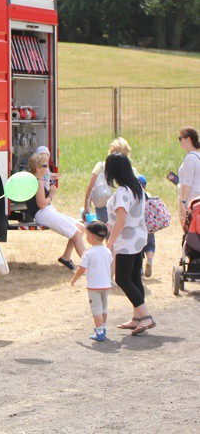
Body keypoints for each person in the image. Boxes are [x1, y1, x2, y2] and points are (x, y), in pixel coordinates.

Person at [105, 153, 155, 335]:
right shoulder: (136, 187)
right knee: (134, 278)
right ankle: (137, 317)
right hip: (139, 237)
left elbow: (121, 219)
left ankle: (146, 316)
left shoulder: (122, 192)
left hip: (127, 240)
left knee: (122, 279)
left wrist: (110, 243)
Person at [26, 153, 87, 270]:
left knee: (81, 227)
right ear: (38, 169)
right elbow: (41, 203)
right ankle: (89, 266)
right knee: (77, 234)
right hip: (43, 213)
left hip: (46, 211)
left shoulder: (35, 180)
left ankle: (66, 257)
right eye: (45, 165)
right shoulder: (38, 182)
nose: (47, 168)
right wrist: (52, 195)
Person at [71, 221, 114, 341]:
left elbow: (81, 269)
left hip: (94, 286)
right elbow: (109, 263)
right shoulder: (107, 251)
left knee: (96, 309)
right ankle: (103, 327)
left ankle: (99, 332)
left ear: (91, 236)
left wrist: (74, 279)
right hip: (106, 285)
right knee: (104, 308)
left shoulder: (89, 253)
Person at [82, 138, 132, 224]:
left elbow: (90, 187)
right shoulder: (128, 169)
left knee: (106, 232)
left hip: (103, 205)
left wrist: (86, 207)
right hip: (123, 207)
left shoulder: (100, 166)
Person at [177, 127, 200, 230]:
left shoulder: (190, 158)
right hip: (197, 199)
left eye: (180, 138)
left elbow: (187, 183)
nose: (179, 141)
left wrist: (182, 202)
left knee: (190, 232)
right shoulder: (198, 156)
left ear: (189, 139)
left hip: (191, 201)